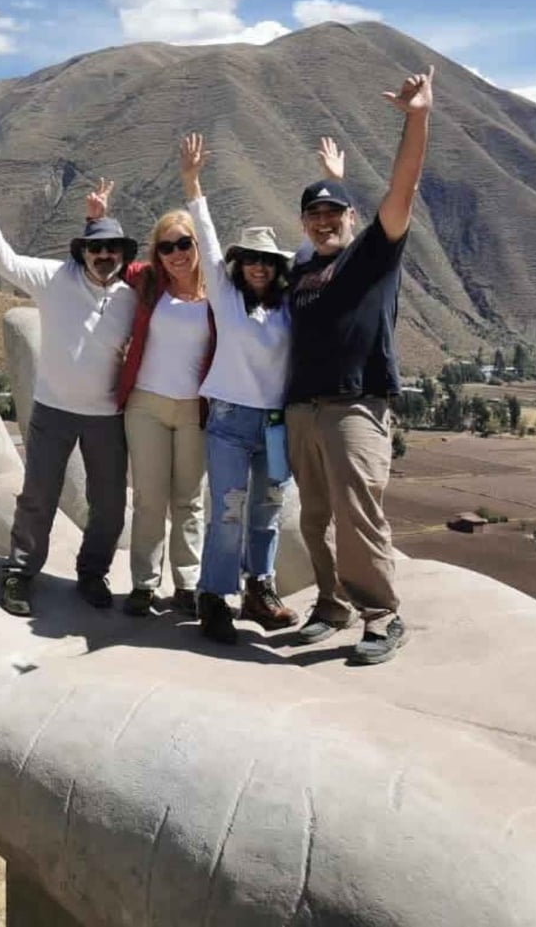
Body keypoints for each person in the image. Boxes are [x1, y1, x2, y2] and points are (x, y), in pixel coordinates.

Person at [286, 66, 435, 666]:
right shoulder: (302, 270)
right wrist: (332, 182)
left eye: (336, 214)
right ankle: (331, 604)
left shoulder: (373, 255)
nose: (325, 222)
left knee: (358, 515)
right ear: (304, 224)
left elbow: (402, 191)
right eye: (314, 215)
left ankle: (383, 614)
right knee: (315, 519)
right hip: (303, 409)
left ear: (354, 220)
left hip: (355, 406)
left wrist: (418, 119)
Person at [0, 170, 138, 617]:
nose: (103, 255)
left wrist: (97, 218)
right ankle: (20, 574)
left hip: (107, 418)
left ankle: (91, 573)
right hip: (53, 411)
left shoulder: (134, 296)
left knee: (110, 504)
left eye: (110, 249)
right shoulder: (54, 278)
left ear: (122, 255)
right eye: (95, 248)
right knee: (38, 497)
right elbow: (6, 262)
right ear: (82, 252)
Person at [179, 134, 299, 644]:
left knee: (268, 510)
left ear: (277, 268)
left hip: (275, 423)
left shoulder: (291, 308)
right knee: (227, 511)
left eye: (267, 260)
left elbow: (325, 254)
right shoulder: (226, 301)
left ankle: (260, 590)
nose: (258, 265)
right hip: (229, 421)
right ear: (239, 263)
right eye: (251, 257)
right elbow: (205, 242)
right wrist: (193, 183)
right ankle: (215, 597)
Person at [113, 209, 214, 617]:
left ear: (197, 245)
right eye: (166, 247)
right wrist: (96, 221)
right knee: (149, 499)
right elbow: (108, 263)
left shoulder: (218, 293)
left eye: (184, 244)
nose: (176, 254)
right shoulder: (148, 282)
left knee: (190, 500)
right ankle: (144, 583)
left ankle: (187, 583)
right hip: (146, 406)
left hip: (194, 409)